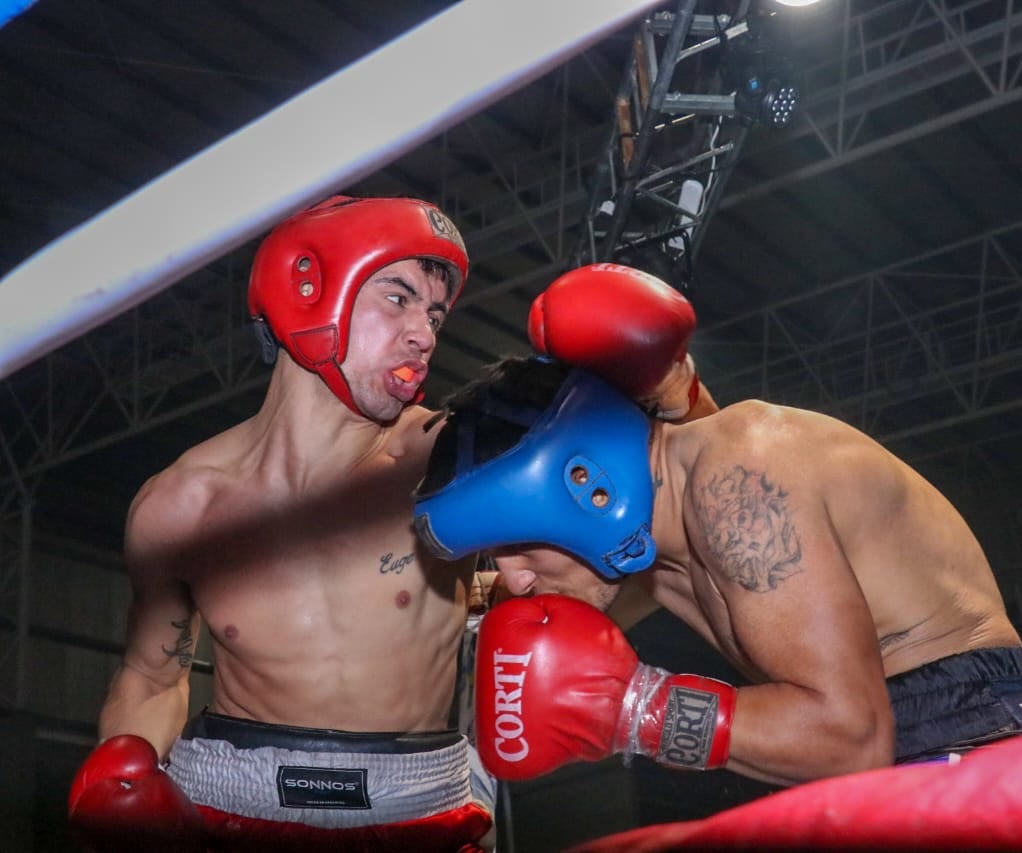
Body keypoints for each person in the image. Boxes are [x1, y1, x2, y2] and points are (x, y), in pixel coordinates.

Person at [65, 202, 709, 852]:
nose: (424, 334)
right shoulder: (180, 507)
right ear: (310, 291)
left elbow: (676, 503)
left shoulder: (453, 453)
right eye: (398, 298)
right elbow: (151, 676)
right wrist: (123, 770)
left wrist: (673, 388)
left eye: (433, 314)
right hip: (233, 802)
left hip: (426, 804)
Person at [411, 344, 1022, 788]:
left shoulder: (738, 478)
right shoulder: (654, 539)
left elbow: (852, 737)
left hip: (969, 725)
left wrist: (634, 707)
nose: (518, 578)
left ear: (586, 486)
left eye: (519, 545)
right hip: (882, 736)